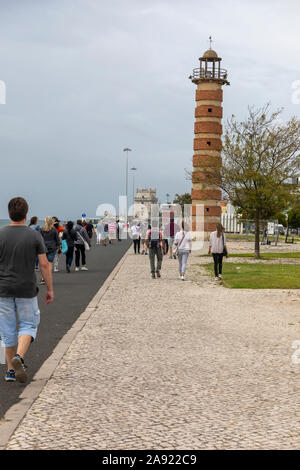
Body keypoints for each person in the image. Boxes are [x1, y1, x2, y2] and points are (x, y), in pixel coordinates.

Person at [0, 197, 54, 383]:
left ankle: (10, 371)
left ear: (9, 213)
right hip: (26, 289)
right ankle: (19, 358)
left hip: (3, 289)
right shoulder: (34, 235)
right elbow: (44, 264)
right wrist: (49, 289)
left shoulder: (1, 234)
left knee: (7, 331)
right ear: (26, 214)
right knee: (28, 325)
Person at [40, 217, 60, 285]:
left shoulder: (42, 229)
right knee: (49, 264)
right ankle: (48, 279)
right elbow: (57, 239)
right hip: (52, 248)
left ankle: (43, 279)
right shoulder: (54, 230)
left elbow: (39, 239)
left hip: (43, 248)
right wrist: (59, 246)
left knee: (43, 264)